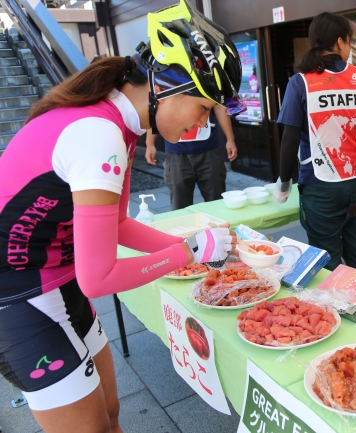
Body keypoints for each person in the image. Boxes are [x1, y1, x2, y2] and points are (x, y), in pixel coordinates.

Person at [0, 0, 243, 431]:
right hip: (17, 300)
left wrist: (195, 249)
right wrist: (185, 252)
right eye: (203, 108)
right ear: (166, 84)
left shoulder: (119, 124)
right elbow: (99, 278)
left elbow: (116, 224)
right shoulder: (99, 134)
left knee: (111, 415)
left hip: (59, 279)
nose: (201, 125)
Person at [274, 12, 356, 272]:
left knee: (326, 260)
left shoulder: (300, 82)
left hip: (321, 185)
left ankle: (332, 308)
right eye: (349, 42)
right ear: (340, 42)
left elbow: (290, 139)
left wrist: (284, 183)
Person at [145, 103, 238, 211]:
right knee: (180, 208)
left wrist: (230, 139)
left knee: (217, 203)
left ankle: (220, 228)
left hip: (209, 150)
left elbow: (219, 107)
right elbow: (156, 111)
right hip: (176, 154)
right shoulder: (163, 85)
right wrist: (150, 143)